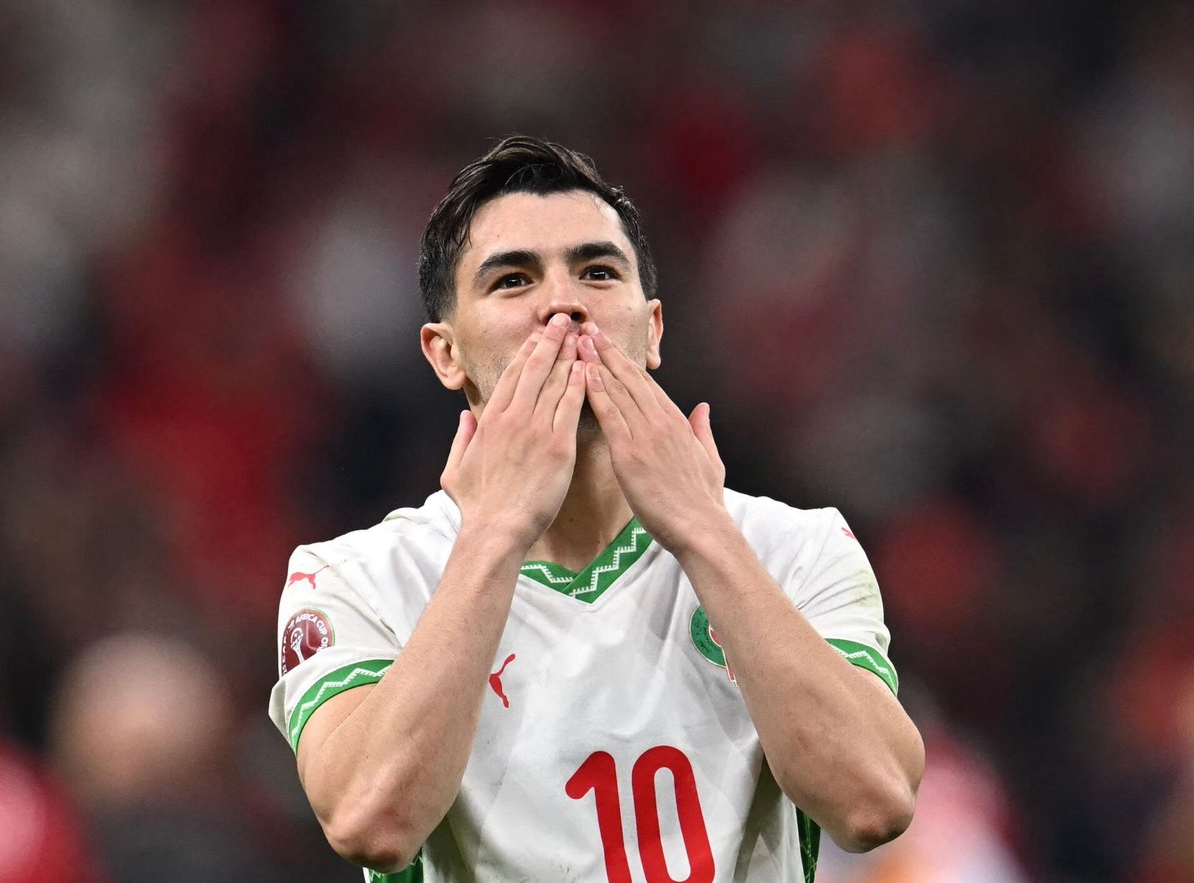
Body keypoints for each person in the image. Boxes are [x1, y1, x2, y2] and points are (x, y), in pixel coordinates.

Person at [266, 137, 923, 882]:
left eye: (598, 271)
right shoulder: (353, 578)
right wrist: (495, 531)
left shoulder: (796, 548)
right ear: (444, 354)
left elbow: (875, 802)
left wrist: (703, 531)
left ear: (654, 331)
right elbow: (369, 820)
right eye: (513, 281)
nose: (564, 303)